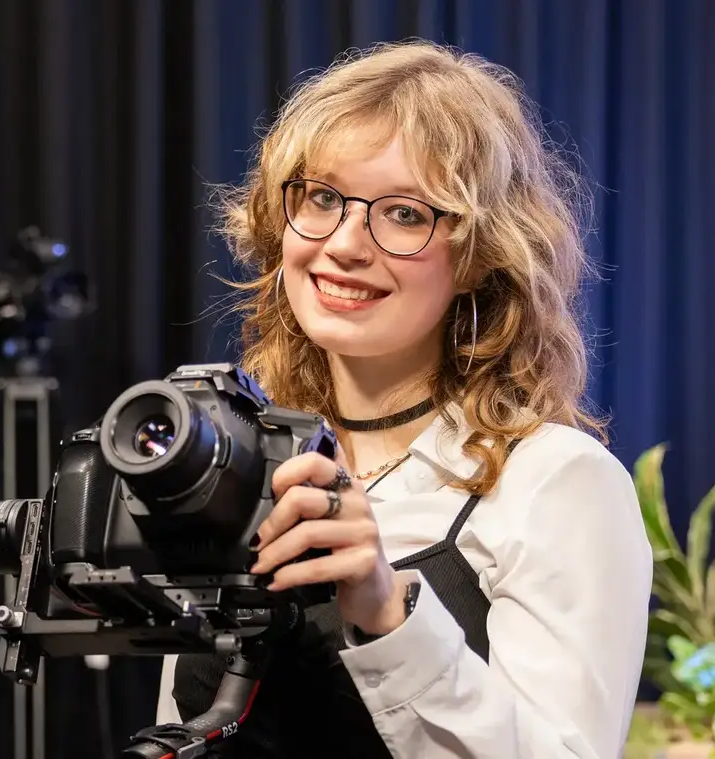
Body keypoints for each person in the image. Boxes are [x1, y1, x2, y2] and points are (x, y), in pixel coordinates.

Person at [154, 40, 652, 758]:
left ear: (481, 255)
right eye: (322, 197)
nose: (347, 244)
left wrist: (390, 611)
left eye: (405, 214)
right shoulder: (241, 464)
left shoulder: (558, 481)